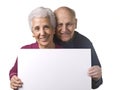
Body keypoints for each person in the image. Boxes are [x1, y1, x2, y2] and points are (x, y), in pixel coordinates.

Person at [9, 7, 61, 90]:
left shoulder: (65, 52)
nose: (42, 33)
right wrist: (13, 78)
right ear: (33, 33)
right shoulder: (25, 51)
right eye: (37, 28)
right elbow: (14, 71)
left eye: (46, 27)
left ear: (53, 30)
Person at [54, 6, 103, 89]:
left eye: (69, 24)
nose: (64, 29)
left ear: (75, 23)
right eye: (59, 25)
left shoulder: (85, 43)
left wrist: (97, 77)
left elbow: (95, 84)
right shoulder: (46, 40)